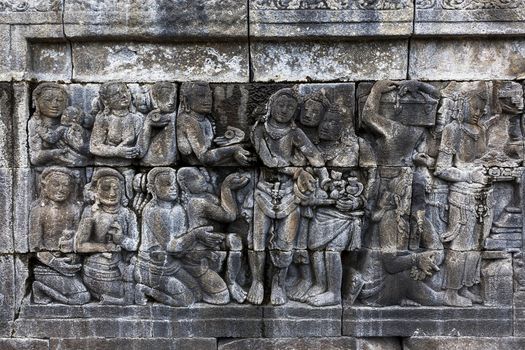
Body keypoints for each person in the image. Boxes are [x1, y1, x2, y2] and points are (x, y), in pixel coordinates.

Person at [249, 88, 328, 305]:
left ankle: (278, 283)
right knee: (258, 242)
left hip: (289, 194)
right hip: (263, 191)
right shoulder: (259, 130)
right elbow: (268, 160)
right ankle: (257, 281)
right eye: (281, 105)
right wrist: (296, 171)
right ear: (271, 105)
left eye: (290, 107)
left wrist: (325, 177)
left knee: (286, 243)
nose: (285, 110)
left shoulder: (295, 133)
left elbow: (314, 155)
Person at [435, 88, 493, 306]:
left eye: (482, 108)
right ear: (461, 105)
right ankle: (451, 292)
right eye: (474, 106)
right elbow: (441, 168)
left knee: (477, 245)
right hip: (461, 197)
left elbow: (483, 160)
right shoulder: (453, 129)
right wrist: (468, 175)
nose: (479, 112)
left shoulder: (482, 130)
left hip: (484, 196)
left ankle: (466, 286)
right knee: (460, 246)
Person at [171, 167, 248, 304]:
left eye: (200, 175)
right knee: (235, 241)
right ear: (185, 186)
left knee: (235, 240)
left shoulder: (205, 197)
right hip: (200, 247)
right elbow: (229, 216)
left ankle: (232, 280)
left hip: (210, 239)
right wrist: (226, 188)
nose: (201, 179)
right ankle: (230, 282)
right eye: (195, 178)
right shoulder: (197, 203)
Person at [134, 167, 198, 306]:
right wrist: (196, 235)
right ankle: (145, 289)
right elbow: (171, 246)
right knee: (187, 300)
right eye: (167, 184)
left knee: (197, 292)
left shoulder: (178, 209)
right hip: (152, 268)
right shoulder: (152, 211)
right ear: (152, 188)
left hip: (172, 264)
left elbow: (181, 243)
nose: (173, 188)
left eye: (175, 184)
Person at [76, 168, 139, 305]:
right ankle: (117, 299)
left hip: (122, 267)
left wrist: (121, 239)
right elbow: (79, 245)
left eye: (116, 188)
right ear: (96, 191)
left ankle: (119, 299)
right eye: (106, 188)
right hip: (97, 269)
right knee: (132, 292)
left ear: (122, 191)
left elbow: (135, 244)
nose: (112, 193)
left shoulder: (128, 214)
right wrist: (103, 247)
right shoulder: (91, 212)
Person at [29, 167, 90, 305]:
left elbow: (78, 240)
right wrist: (55, 262)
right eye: (56, 184)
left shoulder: (74, 209)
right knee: (82, 297)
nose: (61, 189)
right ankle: (39, 288)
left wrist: (72, 243)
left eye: (65, 185)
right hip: (46, 266)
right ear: (44, 186)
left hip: (70, 264)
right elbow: (36, 248)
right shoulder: (39, 211)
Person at [176, 81, 251, 166]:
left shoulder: (206, 120)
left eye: (209, 96)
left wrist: (232, 142)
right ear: (186, 100)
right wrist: (234, 149)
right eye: (201, 96)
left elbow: (212, 150)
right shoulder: (187, 121)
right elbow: (205, 158)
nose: (207, 100)